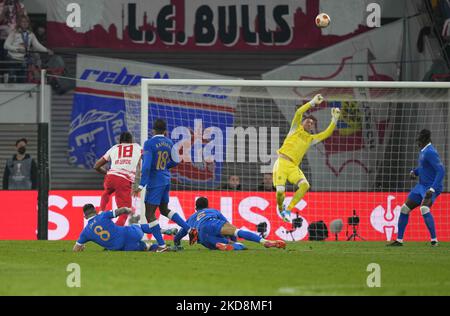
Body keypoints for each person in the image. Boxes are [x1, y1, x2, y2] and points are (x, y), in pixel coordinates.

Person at [273, 94, 341, 222]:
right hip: (282, 162)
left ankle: (288, 209)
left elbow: (326, 134)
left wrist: (334, 119)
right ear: (303, 122)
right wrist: (312, 102)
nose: (309, 123)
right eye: (308, 121)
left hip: (293, 166)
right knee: (280, 191)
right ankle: (280, 206)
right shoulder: (295, 129)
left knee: (305, 185)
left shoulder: (310, 139)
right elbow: (299, 112)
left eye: (312, 123)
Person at [133, 119, 198, 252]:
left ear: (153, 130)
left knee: (150, 214)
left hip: (155, 182)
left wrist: (141, 185)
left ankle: (162, 245)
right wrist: (164, 168)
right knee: (164, 209)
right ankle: (190, 229)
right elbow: (176, 160)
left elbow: (145, 167)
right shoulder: (169, 142)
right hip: (166, 180)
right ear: (165, 131)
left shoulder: (149, 143)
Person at [388, 129, 445, 247]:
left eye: (419, 140)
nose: (417, 143)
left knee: (424, 209)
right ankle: (399, 241)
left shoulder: (430, 152)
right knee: (404, 209)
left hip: (431, 187)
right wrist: (415, 171)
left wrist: (433, 189)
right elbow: (424, 168)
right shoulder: (423, 151)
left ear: (425, 140)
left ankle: (434, 241)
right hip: (421, 186)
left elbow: (441, 170)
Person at [173, 197, 286, 251]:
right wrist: (233, 239)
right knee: (238, 234)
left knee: (219, 245)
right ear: (207, 206)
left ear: (195, 208)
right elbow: (227, 224)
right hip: (214, 223)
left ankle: (222, 245)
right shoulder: (213, 211)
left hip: (202, 236)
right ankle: (264, 241)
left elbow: (180, 235)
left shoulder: (190, 218)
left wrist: (177, 243)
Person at [94, 131, 141, 226]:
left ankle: (101, 212)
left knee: (107, 192)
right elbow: (145, 161)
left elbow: (96, 166)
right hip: (124, 180)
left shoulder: (114, 148)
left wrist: (107, 173)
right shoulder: (137, 147)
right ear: (131, 140)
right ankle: (116, 232)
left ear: (120, 141)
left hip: (111, 177)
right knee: (125, 211)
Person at [73, 204, 162, 252]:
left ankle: (151, 247)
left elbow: (75, 249)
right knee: (138, 226)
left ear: (85, 217)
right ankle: (162, 231)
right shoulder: (103, 215)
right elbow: (121, 210)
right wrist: (128, 210)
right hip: (130, 234)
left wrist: (81, 248)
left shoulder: (85, 233)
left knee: (145, 248)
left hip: (122, 248)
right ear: (95, 211)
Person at [3, 15, 52, 83]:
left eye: (26, 22)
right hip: (12, 60)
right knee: (11, 81)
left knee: (22, 81)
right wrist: (17, 49)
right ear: (19, 23)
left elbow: (37, 45)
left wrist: (46, 50)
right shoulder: (14, 32)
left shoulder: (31, 34)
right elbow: (5, 45)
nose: (25, 23)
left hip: (23, 61)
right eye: (23, 22)